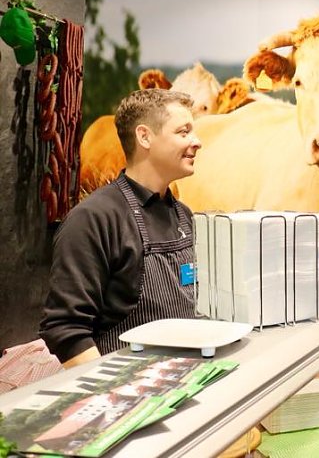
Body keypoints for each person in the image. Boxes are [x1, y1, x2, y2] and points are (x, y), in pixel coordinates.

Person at [40, 89, 203, 368]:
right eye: (183, 132)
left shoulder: (183, 216)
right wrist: (113, 392)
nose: (197, 142)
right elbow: (65, 329)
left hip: (186, 382)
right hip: (130, 398)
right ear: (144, 137)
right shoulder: (93, 219)